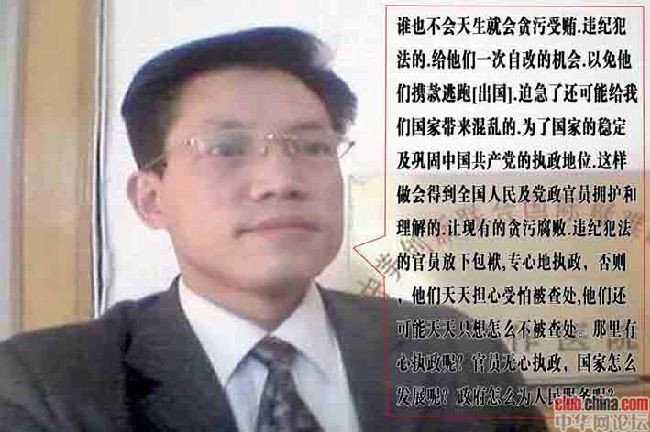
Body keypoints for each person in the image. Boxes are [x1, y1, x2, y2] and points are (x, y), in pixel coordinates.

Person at [0, 27, 547, 431]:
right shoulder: (47, 387)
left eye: (312, 147)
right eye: (226, 148)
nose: (281, 180)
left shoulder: (455, 349)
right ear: (151, 199)